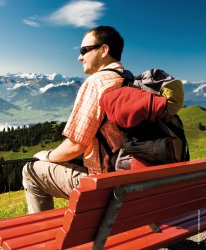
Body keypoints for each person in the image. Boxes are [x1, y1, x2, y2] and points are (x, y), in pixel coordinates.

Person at [22, 26, 127, 214]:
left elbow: (75, 146)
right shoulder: (129, 80)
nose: (79, 57)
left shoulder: (97, 82)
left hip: (106, 186)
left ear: (104, 50)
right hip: (133, 183)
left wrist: (46, 156)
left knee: (31, 171)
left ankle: (40, 237)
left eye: (84, 50)